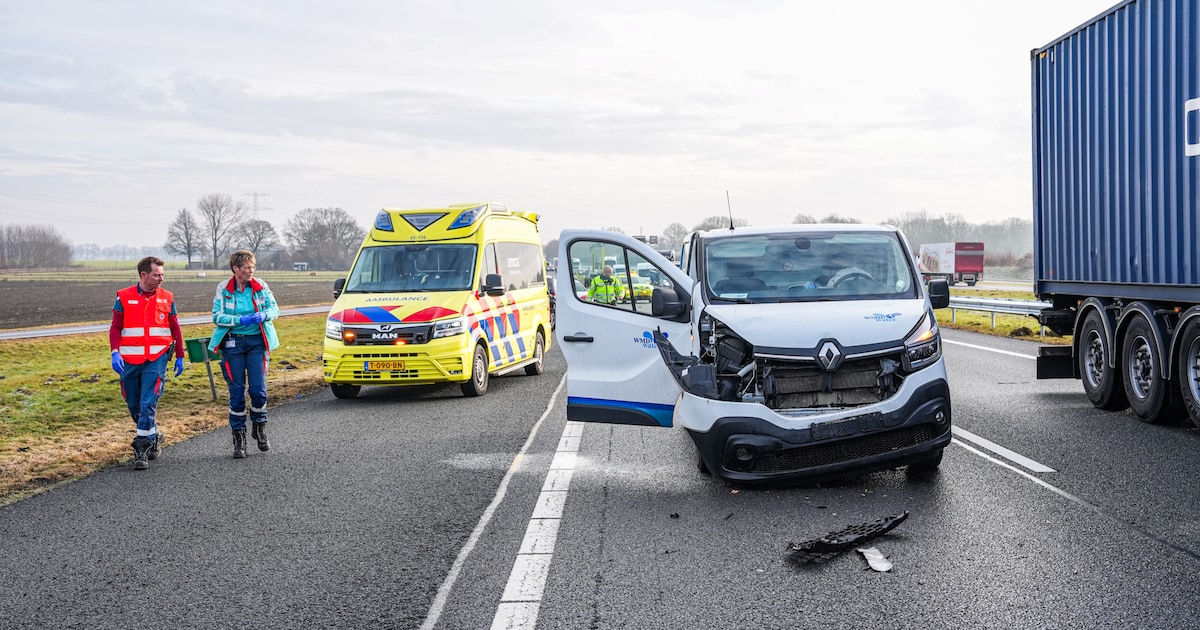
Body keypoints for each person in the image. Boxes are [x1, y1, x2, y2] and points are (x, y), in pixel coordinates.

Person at [109, 256, 185, 470]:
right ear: (144, 275)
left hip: (157, 358)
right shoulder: (123, 297)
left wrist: (180, 354)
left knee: (147, 403)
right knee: (134, 404)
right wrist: (115, 352)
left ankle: (141, 448)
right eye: (156, 275)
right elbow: (115, 327)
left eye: (162, 275)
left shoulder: (167, 298)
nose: (161, 278)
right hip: (129, 360)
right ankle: (154, 435)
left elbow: (175, 327)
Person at [208, 250, 280, 458]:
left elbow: (275, 309)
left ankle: (259, 425)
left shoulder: (260, 285)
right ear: (236, 269)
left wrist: (264, 315)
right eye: (247, 267)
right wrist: (240, 320)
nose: (251, 271)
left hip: (257, 342)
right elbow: (217, 316)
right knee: (237, 392)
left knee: (258, 390)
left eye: (252, 267)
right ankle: (238, 436)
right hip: (233, 344)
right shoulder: (224, 289)